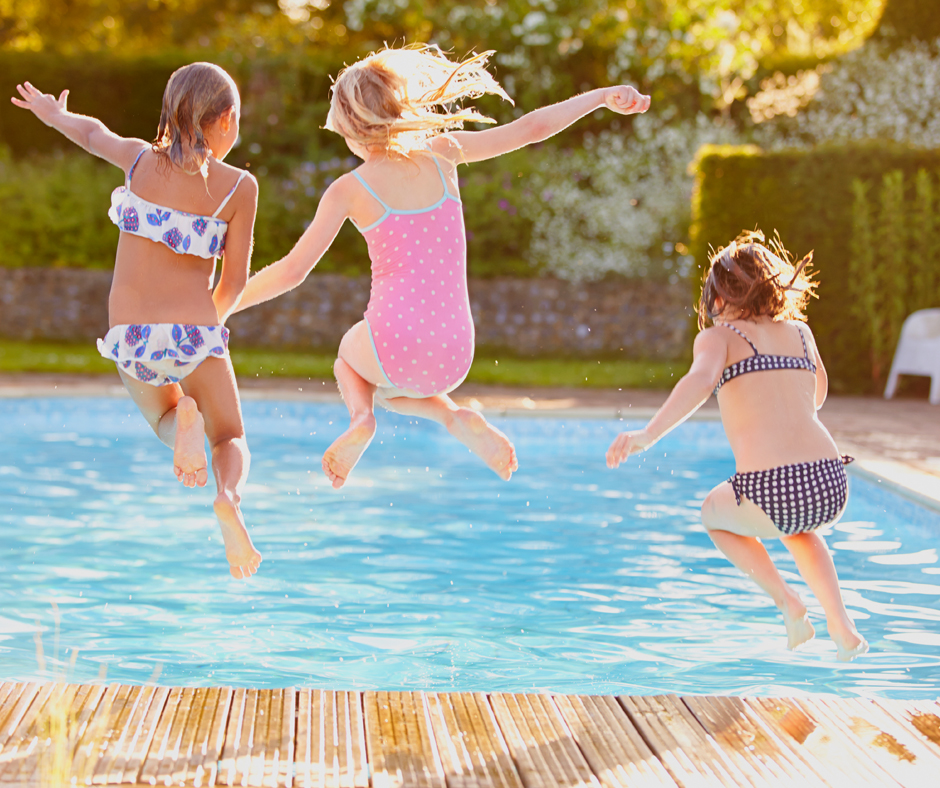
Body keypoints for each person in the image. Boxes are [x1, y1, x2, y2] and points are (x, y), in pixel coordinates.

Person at [234, 45, 650, 489]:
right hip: (457, 352)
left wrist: (224, 304)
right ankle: (454, 416)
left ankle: (361, 420)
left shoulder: (347, 190)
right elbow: (532, 129)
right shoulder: (444, 153)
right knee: (399, 386)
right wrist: (601, 96)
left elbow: (294, 271)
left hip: (392, 343)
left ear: (352, 131)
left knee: (349, 364)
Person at [12, 63, 262, 579]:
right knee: (230, 438)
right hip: (193, 334)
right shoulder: (239, 187)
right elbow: (233, 283)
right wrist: (201, 336)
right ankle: (228, 497)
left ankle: (183, 423)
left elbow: (91, 132)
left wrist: (54, 114)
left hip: (129, 339)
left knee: (164, 420)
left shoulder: (138, 162)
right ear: (227, 119)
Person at [606, 231, 868, 661]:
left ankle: (788, 602)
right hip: (829, 483)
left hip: (771, 488)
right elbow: (816, 394)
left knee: (713, 515)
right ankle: (842, 625)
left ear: (721, 297)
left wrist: (647, 434)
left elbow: (698, 382)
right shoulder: (801, 333)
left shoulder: (719, 337)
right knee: (801, 530)